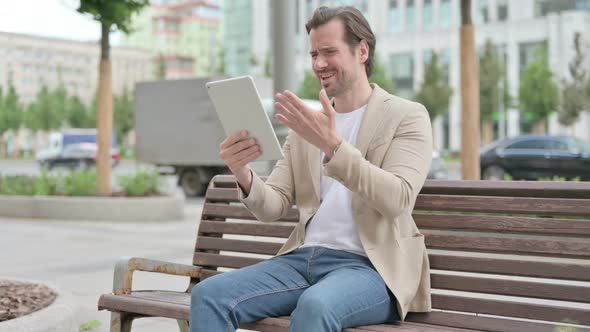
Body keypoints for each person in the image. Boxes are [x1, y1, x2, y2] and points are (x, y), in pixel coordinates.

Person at [190, 5, 433, 332]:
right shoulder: (305, 126)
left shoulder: (407, 116)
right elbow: (273, 205)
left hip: (371, 269)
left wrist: (333, 147)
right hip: (303, 260)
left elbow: (398, 199)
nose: (319, 64)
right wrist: (243, 173)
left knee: (315, 306)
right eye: (314, 54)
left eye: (329, 52)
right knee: (209, 294)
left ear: (362, 50)